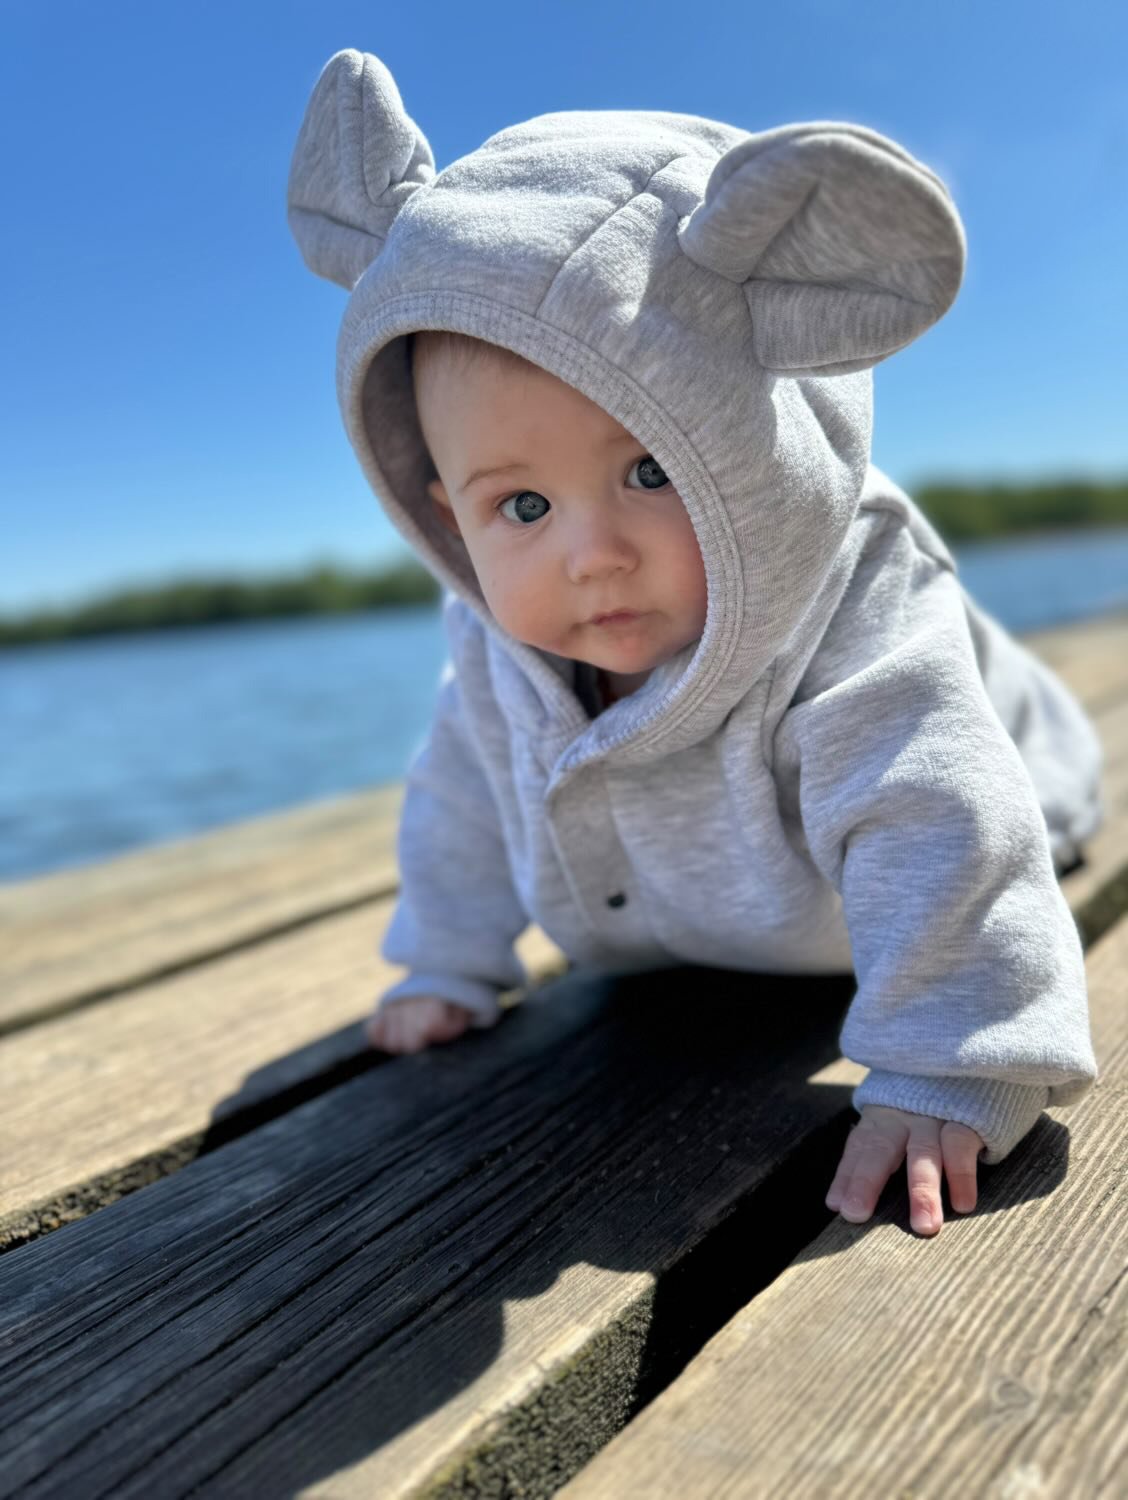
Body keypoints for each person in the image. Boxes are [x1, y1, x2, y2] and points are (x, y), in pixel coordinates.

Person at [287, 49, 1102, 1236]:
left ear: (755, 449)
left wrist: (953, 1064)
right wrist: (448, 961)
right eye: (522, 507)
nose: (592, 554)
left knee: (1007, 782)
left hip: (993, 798)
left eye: (652, 471)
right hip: (707, 937)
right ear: (439, 507)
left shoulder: (857, 600)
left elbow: (943, 809)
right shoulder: (494, 643)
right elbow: (460, 796)